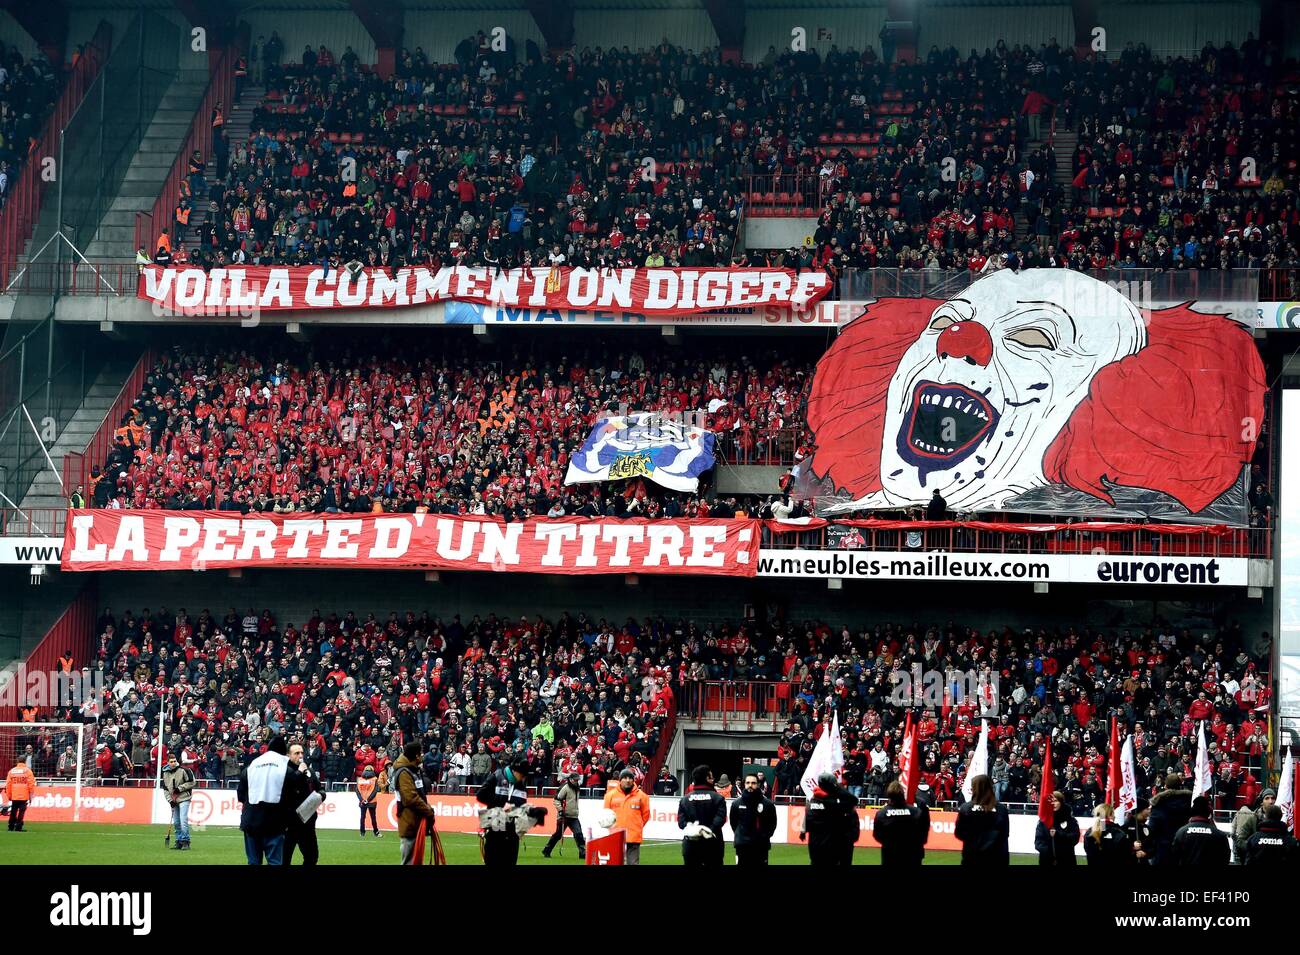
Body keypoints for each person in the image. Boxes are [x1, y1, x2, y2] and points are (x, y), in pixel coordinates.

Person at [476, 754, 546, 866]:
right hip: (495, 825)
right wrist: (501, 805)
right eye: (522, 774)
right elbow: (480, 795)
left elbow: (518, 808)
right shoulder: (496, 776)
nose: (524, 778)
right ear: (514, 771)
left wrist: (531, 811)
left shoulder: (522, 786)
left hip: (512, 832)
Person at [237, 735, 292, 865]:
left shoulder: (250, 767)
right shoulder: (286, 769)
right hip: (274, 822)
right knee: (274, 862)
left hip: (251, 821)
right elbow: (291, 798)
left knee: (253, 861)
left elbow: (240, 796)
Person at [801, 772, 859, 866]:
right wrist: (838, 788)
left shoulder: (812, 802)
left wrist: (803, 831)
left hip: (815, 848)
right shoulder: (834, 804)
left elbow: (807, 820)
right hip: (832, 847)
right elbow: (853, 800)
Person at [393, 741, 437, 865]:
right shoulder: (404, 773)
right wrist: (428, 810)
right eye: (421, 753)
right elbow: (411, 798)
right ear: (416, 756)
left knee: (415, 860)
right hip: (409, 822)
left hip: (415, 822)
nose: (422, 756)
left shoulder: (412, 771)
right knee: (410, 861)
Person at [954, 774, 1010, 866]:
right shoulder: (1001, 809)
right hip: (995, 859)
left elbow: (959, 833)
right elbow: (1004, 835)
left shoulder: (966, 808)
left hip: (971, 857)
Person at [872, 781, 930, 866]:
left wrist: (889, 843)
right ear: (903, 794)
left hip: (890, 854)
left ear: (889, 795)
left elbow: (877, 835)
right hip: (913, 854)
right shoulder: (916, 812)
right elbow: (924, 832)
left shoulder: (882, 813)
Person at [678, 764, 726, 866]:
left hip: (691, 845)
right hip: (713, 846)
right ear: (707, 778)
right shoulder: (718, 798)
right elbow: (721, 819)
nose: (713, 779)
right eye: (711, 777)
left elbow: (681, 823)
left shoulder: (685, 800)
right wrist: (707, 831)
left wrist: (695, 830)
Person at [284, 742, 322, 865]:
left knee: (312, 857)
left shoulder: (309, 770)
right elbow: (287, 787)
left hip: (307, 821)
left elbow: (319, 788)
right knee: (284, 858)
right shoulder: (285, 771)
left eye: (301, 753)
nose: (300, 756)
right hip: (289, 823)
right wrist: (299, 772)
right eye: (296, 753)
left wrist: (322, 795)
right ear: (288, 755)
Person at [730, 771, 778, 865]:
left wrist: (764, 836)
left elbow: (772, 824)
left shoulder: (768, 804)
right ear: (744, 784)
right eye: (748, 783)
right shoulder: (736, 804)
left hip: (761, 846)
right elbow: (734, 823)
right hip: (742, 846)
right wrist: (741, 835)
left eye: (753, 783)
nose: (750, 785)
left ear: (758, 784)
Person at [603, 768, 650, 865]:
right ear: (620, 780)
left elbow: (646, 815)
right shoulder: (610, 796)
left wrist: (636, 826)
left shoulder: (642, 796)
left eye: (630, 778)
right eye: (625, 778)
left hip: (633, 836)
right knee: (615, 862)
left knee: (633, 863)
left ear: (634, 780)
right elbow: (606, 815)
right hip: (615, 835)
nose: (628, 780)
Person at [1147, 772, 1193, 865]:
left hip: (1163, 850)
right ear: (1180, 785)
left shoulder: (1158, 803)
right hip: (1185, 848)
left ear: (1166, 786)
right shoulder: (1190, 802)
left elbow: (1152, 828)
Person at [1171, 796, 1230, 865]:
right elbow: (1225, 858)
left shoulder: (1181, 832)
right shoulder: (1219, 835)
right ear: (1208, 811)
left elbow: (1174, 856)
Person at [544, 772, 585, 859]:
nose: (577, 781)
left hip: (574, 816)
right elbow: (556, 800)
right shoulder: (565, 787)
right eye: (575, 780)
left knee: (579, 834)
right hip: (564, 816)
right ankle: (547, 850)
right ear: (570, 779)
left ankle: (582, 853)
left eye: (578, 780)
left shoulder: (577, 787)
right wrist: (560, 810)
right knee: (558, 835)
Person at [1035, 790, 1080, 865]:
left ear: (1061, 802)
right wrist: (1050, 853)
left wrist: (1058, 835)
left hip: (1066, 859)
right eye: (1051, 801)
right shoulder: (1043, 821)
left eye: (1055, 801)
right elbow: (1038, 842)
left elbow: (1074, 838)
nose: (1053, 804)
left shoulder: (1070, 820)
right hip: (1047, 860)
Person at [161, 752, 195, 850]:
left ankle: (186, 841)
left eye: (175, 761)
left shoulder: (184, 770)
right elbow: (166, 789)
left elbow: (192, 782)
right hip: (174, 800)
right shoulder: (165, 773)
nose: (173, 763)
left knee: (183, 820)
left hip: (184, 797)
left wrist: (180, 788)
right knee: (176, 822)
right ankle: (178, 841)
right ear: (168, 762)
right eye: (171, 761)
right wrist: (170, 800)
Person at [1232, 787, 1275, 863]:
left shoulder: (1280, 818)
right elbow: (1240, 841)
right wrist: (1255, 847)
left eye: (1273, 798)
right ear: (1262, 802)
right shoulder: (1253, 818)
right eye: (1267, 798)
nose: (1270, 801)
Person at [4, 756, 36, 832]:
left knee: (13, 811)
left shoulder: (12, 771)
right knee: (21, 812)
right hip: (24, 795)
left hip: (14, 795)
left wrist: (9, 795)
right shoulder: (28, 771)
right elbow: (31, 784)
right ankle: (18, 827)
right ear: (25, 761)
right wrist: (31, 796)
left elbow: (8, 785)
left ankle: (11, 826)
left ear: (17, 761)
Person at [356, 765, 380, 836]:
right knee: (373, 817)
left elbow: (357, 791)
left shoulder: (360, 779)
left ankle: (362, 832)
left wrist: (362, 800)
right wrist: (368, 800)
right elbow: (375, 790)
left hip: (362, 801)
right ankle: (376, 832)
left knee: (362, 817)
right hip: (372, 801)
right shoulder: (375, 779)